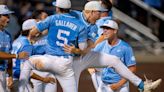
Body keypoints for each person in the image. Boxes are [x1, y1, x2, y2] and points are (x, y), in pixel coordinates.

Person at [63, 1, 162, 92]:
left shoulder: (97, 23)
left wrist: (89, 51)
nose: (98, 16)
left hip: (91, 57)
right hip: (73, 59)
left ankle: (142, 85)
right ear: (92, 12)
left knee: (114, 61)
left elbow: (96, 41)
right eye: (97, 11)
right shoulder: (78, 16)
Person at [18, 0, 87, 92]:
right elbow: (83, 50)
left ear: (57, 8)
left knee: (27, 63)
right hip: (65, 63)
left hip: (49, 60)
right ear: (69, 9)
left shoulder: (52, 18)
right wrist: (75, 50)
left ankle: (20, 90)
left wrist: (32, 37)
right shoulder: (81, 25)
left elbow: (33, 32)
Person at [9, 19, 56, 92]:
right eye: (36, 28)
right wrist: (43, 79)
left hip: (12, 78)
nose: (38, 30)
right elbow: (25, 70)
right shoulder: (26, 45)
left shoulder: (17, 41)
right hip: (20, 80)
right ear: (30, 30)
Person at [93, 19, 136, 92]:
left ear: (115, 31)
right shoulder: (100, 46)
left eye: (108, 28)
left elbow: (132, 68)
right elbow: (90, 57)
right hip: (104, 84)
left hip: (122, 86)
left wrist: (118, 85)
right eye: (104, 28)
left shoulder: (125, 47)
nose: (104, 31)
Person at [0, 5, 28, 92]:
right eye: (5, 16)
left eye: (8, 16)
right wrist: (16, 55)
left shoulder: (7, 35)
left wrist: (10, 76)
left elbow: (8, 58)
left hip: (3, 72)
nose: (8, 19)